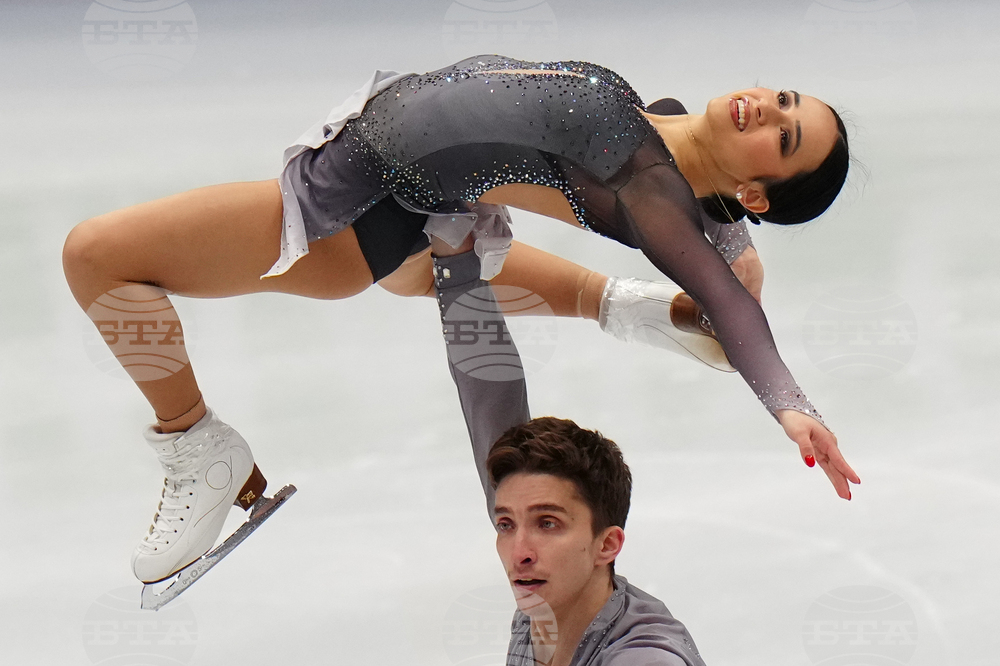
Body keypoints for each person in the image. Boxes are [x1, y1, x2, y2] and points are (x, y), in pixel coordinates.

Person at [61, 54, 859, 585]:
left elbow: (728, 305)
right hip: (416, 202)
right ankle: (630, 309)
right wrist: (731, 239)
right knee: (423, 277)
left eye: (782, 137)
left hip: (354, 211)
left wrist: (793, 405)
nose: (766, 108)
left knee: (97, 256)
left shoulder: (650, 190)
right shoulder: (659, 125)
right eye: (785, 99)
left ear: (761, 190)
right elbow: (700, 210)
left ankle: (199, 451)